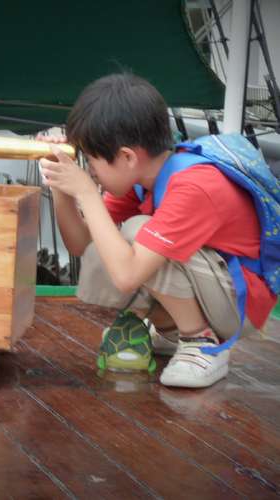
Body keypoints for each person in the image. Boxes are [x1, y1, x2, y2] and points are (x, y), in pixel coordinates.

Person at [38, 73, 277, 389]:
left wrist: (87, 193)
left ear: (127, 156)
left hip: (239, 305)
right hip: (213, 288)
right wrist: (61, 187)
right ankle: (170, 331)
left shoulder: (194, 186)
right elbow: (83, 245)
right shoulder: (138, 179)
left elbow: (127, 276)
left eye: (92, 161)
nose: (90, 171)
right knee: (113, 242)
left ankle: (200, 343)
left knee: (137, 232)